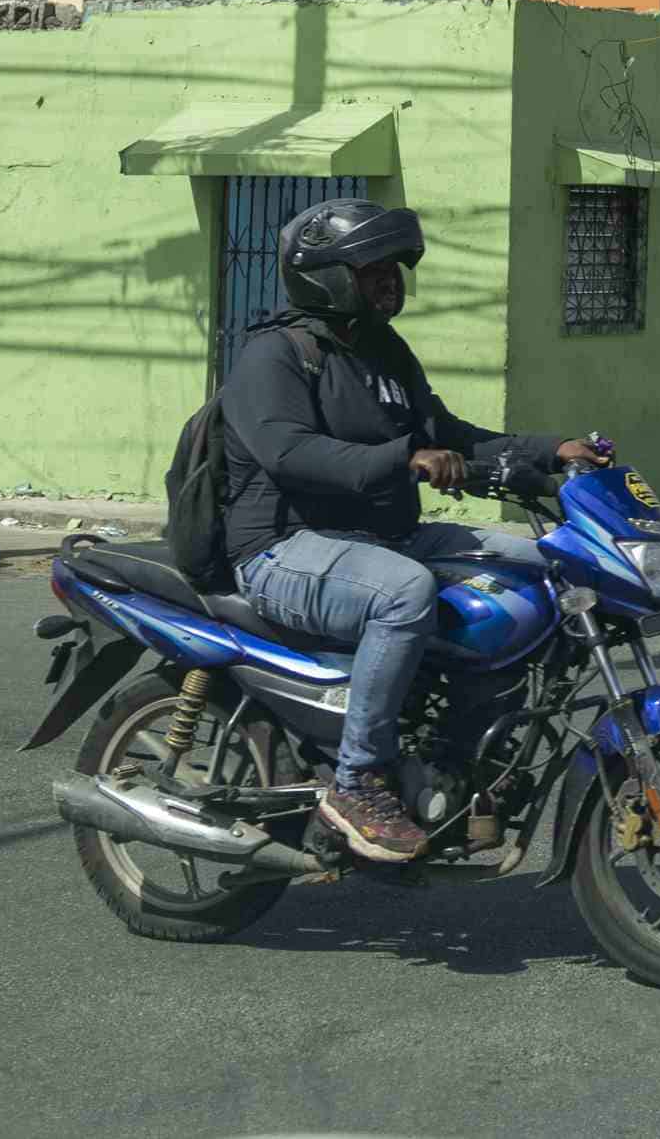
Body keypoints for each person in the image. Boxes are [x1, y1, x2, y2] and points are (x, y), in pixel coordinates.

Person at [218, 196, 602, 863]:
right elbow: (290, 452)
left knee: (544, 565)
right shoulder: (273, 355)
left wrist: (552, 451)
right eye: (373, 268)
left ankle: (469, 747)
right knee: (405, 591)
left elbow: (452, 437)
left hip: (381, 537)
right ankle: (358, 780)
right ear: (329, 275)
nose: (390, 279)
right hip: (285, 547)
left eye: (395, 266)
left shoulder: (385, 353)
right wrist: (403, 459)